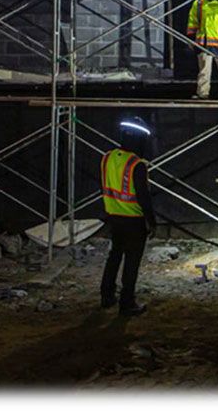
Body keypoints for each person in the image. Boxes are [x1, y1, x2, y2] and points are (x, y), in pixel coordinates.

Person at [99, 117, 157, 316]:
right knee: (131, 262)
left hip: (114, 217)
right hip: (133, 220)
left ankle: (106, 295)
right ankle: (127, 302)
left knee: (114, 256)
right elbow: (143, 196)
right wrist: (151, 221)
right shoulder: (136, 164)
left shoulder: (106, 158)